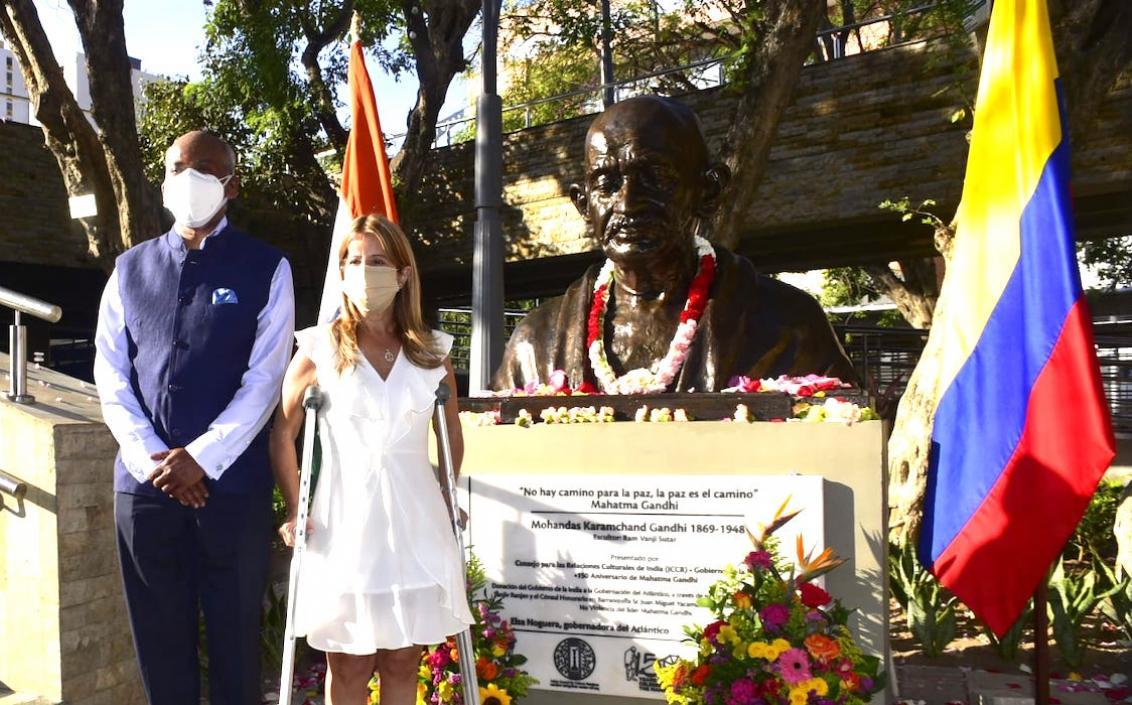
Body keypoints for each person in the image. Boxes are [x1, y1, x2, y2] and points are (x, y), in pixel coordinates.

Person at [93, 130, 295, 705]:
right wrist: (152, 460)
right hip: (144, 490)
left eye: (207, 168)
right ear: (164, 180)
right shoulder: (128, 269)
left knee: (235, 643)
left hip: (231, 490)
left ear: (232, 185)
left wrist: (201, 458)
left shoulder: (267, 268)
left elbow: (264, 381)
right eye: (181, 167)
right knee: (159, 646)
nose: (193, 178)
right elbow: (111, 374)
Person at [492, 96, 855, 393]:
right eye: (607, 182)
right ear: (583, 204)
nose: (628, 202)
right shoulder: (533, 342)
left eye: (654, 178)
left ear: (708, 191)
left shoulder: (787, 326)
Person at [271, 214, 473, 705]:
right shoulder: (319, 349)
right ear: (341, 273)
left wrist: (449, 493)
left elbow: (450, 432)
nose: (365, 271)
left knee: (405, 658)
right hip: (345, 523)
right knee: (350, 660)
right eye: (354, 261)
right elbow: (283, 432)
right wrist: (297, 506)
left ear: (403, 275)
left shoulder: (432, 352)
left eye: (378, 261)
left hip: (414, 520)